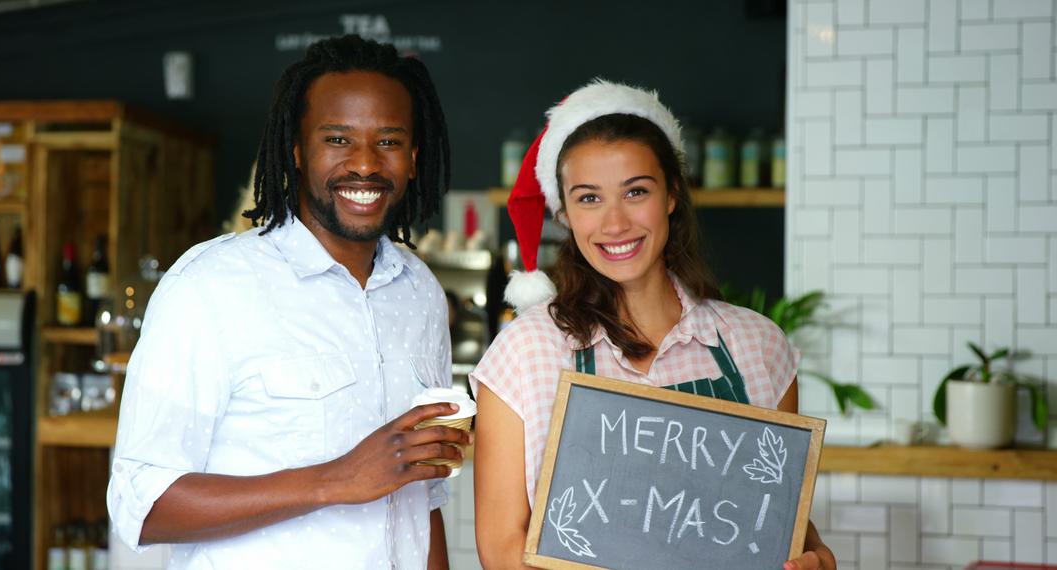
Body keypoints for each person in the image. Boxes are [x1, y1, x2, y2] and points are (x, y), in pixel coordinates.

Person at [107, 35, 469, 569]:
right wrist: (333, 481)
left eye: (388, 141)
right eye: (339, 139)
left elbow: (423, 499)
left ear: (414, 159)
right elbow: (143, 503)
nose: (365, 165)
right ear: (297, 150)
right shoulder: (211, 287)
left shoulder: (420, 293)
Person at [471, 80, 836, 570]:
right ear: (564, 213)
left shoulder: (758, 345)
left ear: (672, 195)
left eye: (635, 191)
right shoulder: (525, 353)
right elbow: (501, 553)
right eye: (589, 198)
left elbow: (780, 524)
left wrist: (816, 560)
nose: (615, 223)